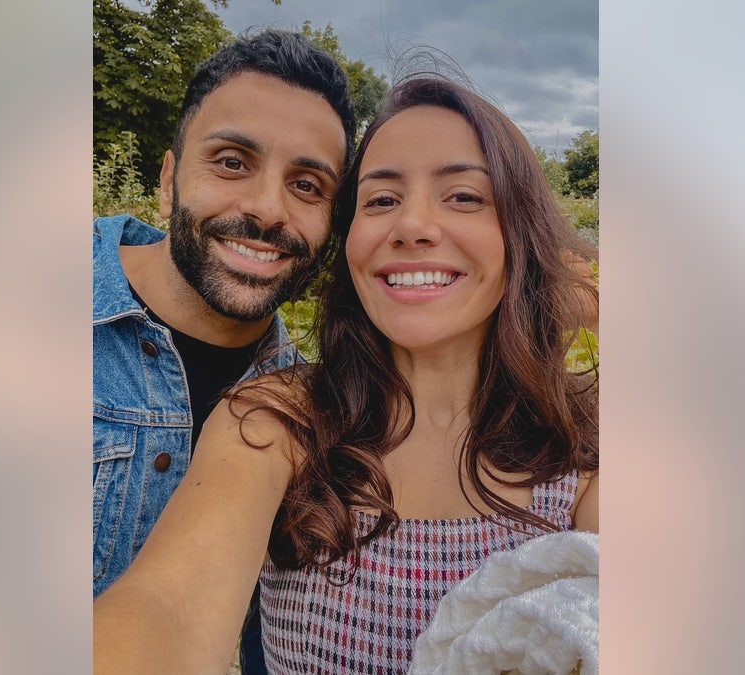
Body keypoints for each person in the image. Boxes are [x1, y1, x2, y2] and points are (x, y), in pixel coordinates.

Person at [94, 74, 599, 675]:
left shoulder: (582, 445)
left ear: (522, 231)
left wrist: (561, 294)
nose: (410, 225)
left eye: (464, 196)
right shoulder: (276, 421)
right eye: (381, 200)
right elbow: (166, 606)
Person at [91, 29, 357, 674]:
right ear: (168, 175)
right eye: (232, 162)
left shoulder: (303, 411)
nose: (268, 210)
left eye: (308, 185)